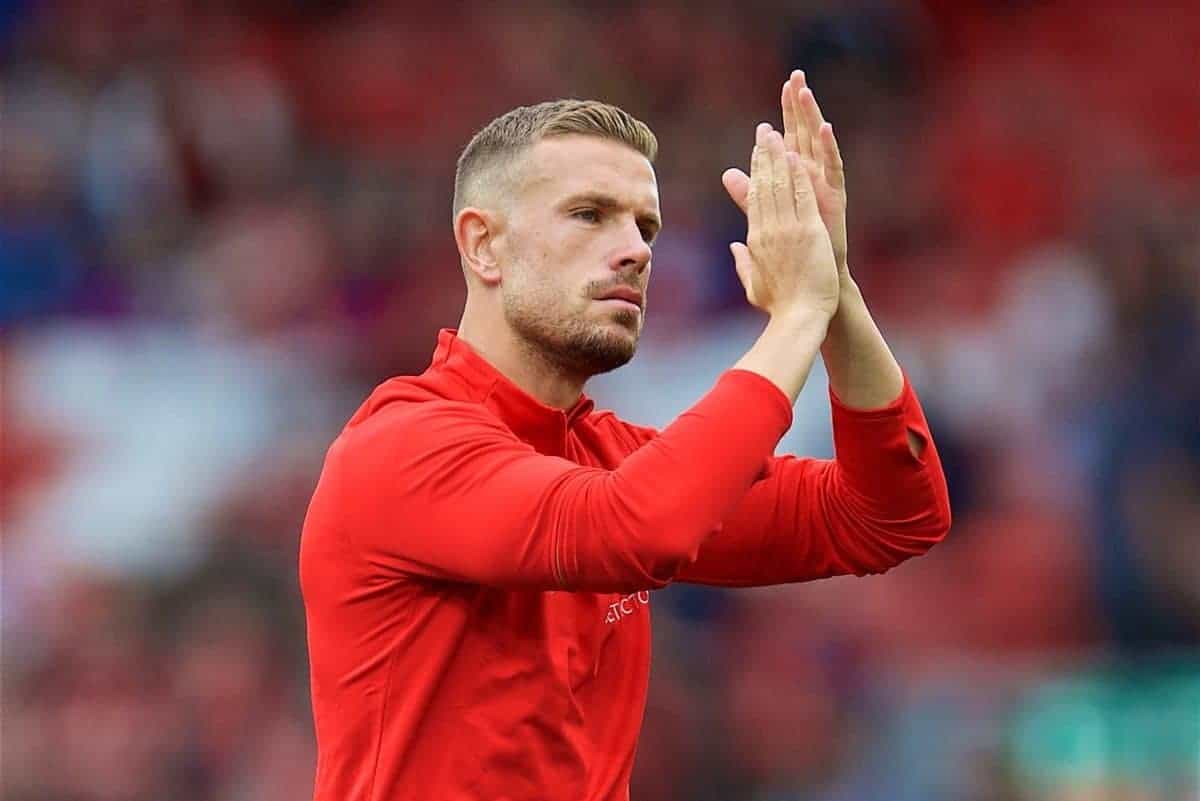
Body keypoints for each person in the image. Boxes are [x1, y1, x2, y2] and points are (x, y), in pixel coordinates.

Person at [299, 71, 951, 801]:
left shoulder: (609, 463)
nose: (635, 250)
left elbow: (890, 515)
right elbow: (636, 527)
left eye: (645, 226)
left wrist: (836, 296)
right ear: (483, 246)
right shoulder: (401, 447)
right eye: (589, 214)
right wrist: (795, 316)